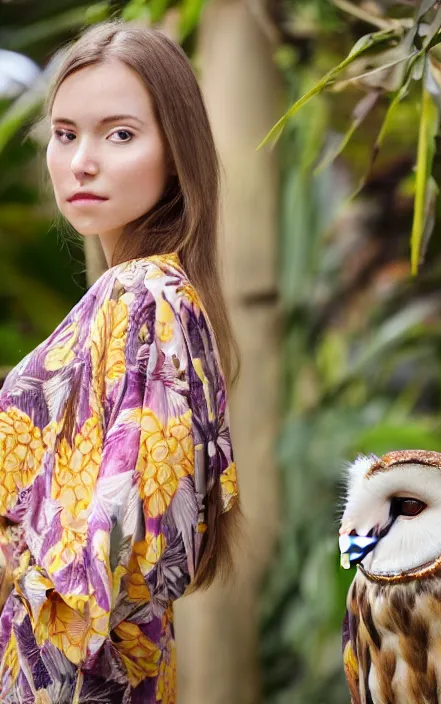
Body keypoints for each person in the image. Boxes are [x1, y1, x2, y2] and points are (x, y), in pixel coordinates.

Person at [0, 19, 240, 704]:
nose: (81, 160)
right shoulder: (145, 297)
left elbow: (124, 551)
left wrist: (21, 560)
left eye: (121, 134)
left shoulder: (144, 295)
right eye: (66, 133)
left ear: (176, 152)